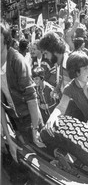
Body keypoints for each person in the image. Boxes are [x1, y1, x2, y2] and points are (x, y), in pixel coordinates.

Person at [1, 22, 45, 163]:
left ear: (6, 40)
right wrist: (8, 137)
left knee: (43, 157)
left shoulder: (17, 61)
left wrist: (34, 129)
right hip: (15, 119)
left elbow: (32, 99)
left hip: (30, 118)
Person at [44, 51, 88, 136]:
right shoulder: (70, 88)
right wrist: (53, 116)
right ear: (76, 72)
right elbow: (61, 106)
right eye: (85, 68)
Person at [38, 32, 71, 99]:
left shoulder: (69, 64)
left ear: (54, 50)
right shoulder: (58, 64)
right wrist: (56, 90)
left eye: (46, 53)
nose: (45, 57)